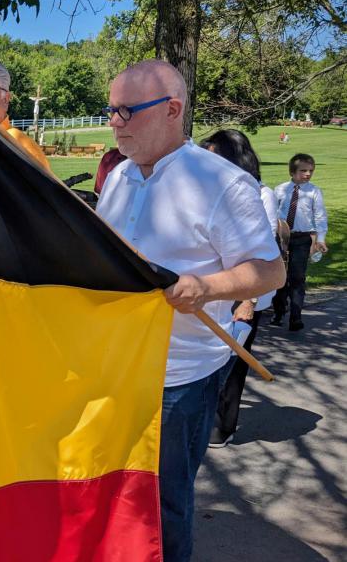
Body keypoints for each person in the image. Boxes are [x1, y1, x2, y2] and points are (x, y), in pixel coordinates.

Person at [96, 60, 285, 562]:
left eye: (125, 111)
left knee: (162, 505)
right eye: (111, 110)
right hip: (113, 368)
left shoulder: (220, 183)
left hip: (178, 379)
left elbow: (270, 272)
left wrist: (206, 286)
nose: (113, 122)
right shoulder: (117, 177)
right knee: (112, 493)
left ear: (172, 110)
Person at [199, 129, 279, 448]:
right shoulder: (208, 194)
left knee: (233, 363)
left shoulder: (260, 194)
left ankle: (223, 426)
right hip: (213, 290)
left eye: (214, 157)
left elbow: (263, 251)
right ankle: (201, 419)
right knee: (205, 359)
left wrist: (248, 300)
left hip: (243, 291)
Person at [271, 153, 328, 331]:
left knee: (297, 278)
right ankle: (279, 312)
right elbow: (272, 215)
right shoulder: (280, 190)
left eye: (310, 171)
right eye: (303, 170)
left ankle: (296, 317)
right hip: (281, 238)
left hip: (302, 238)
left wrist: (320, 239)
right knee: (280, 277)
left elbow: (320, 216)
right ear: (292, 171)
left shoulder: (314, 192)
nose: (307, 174)